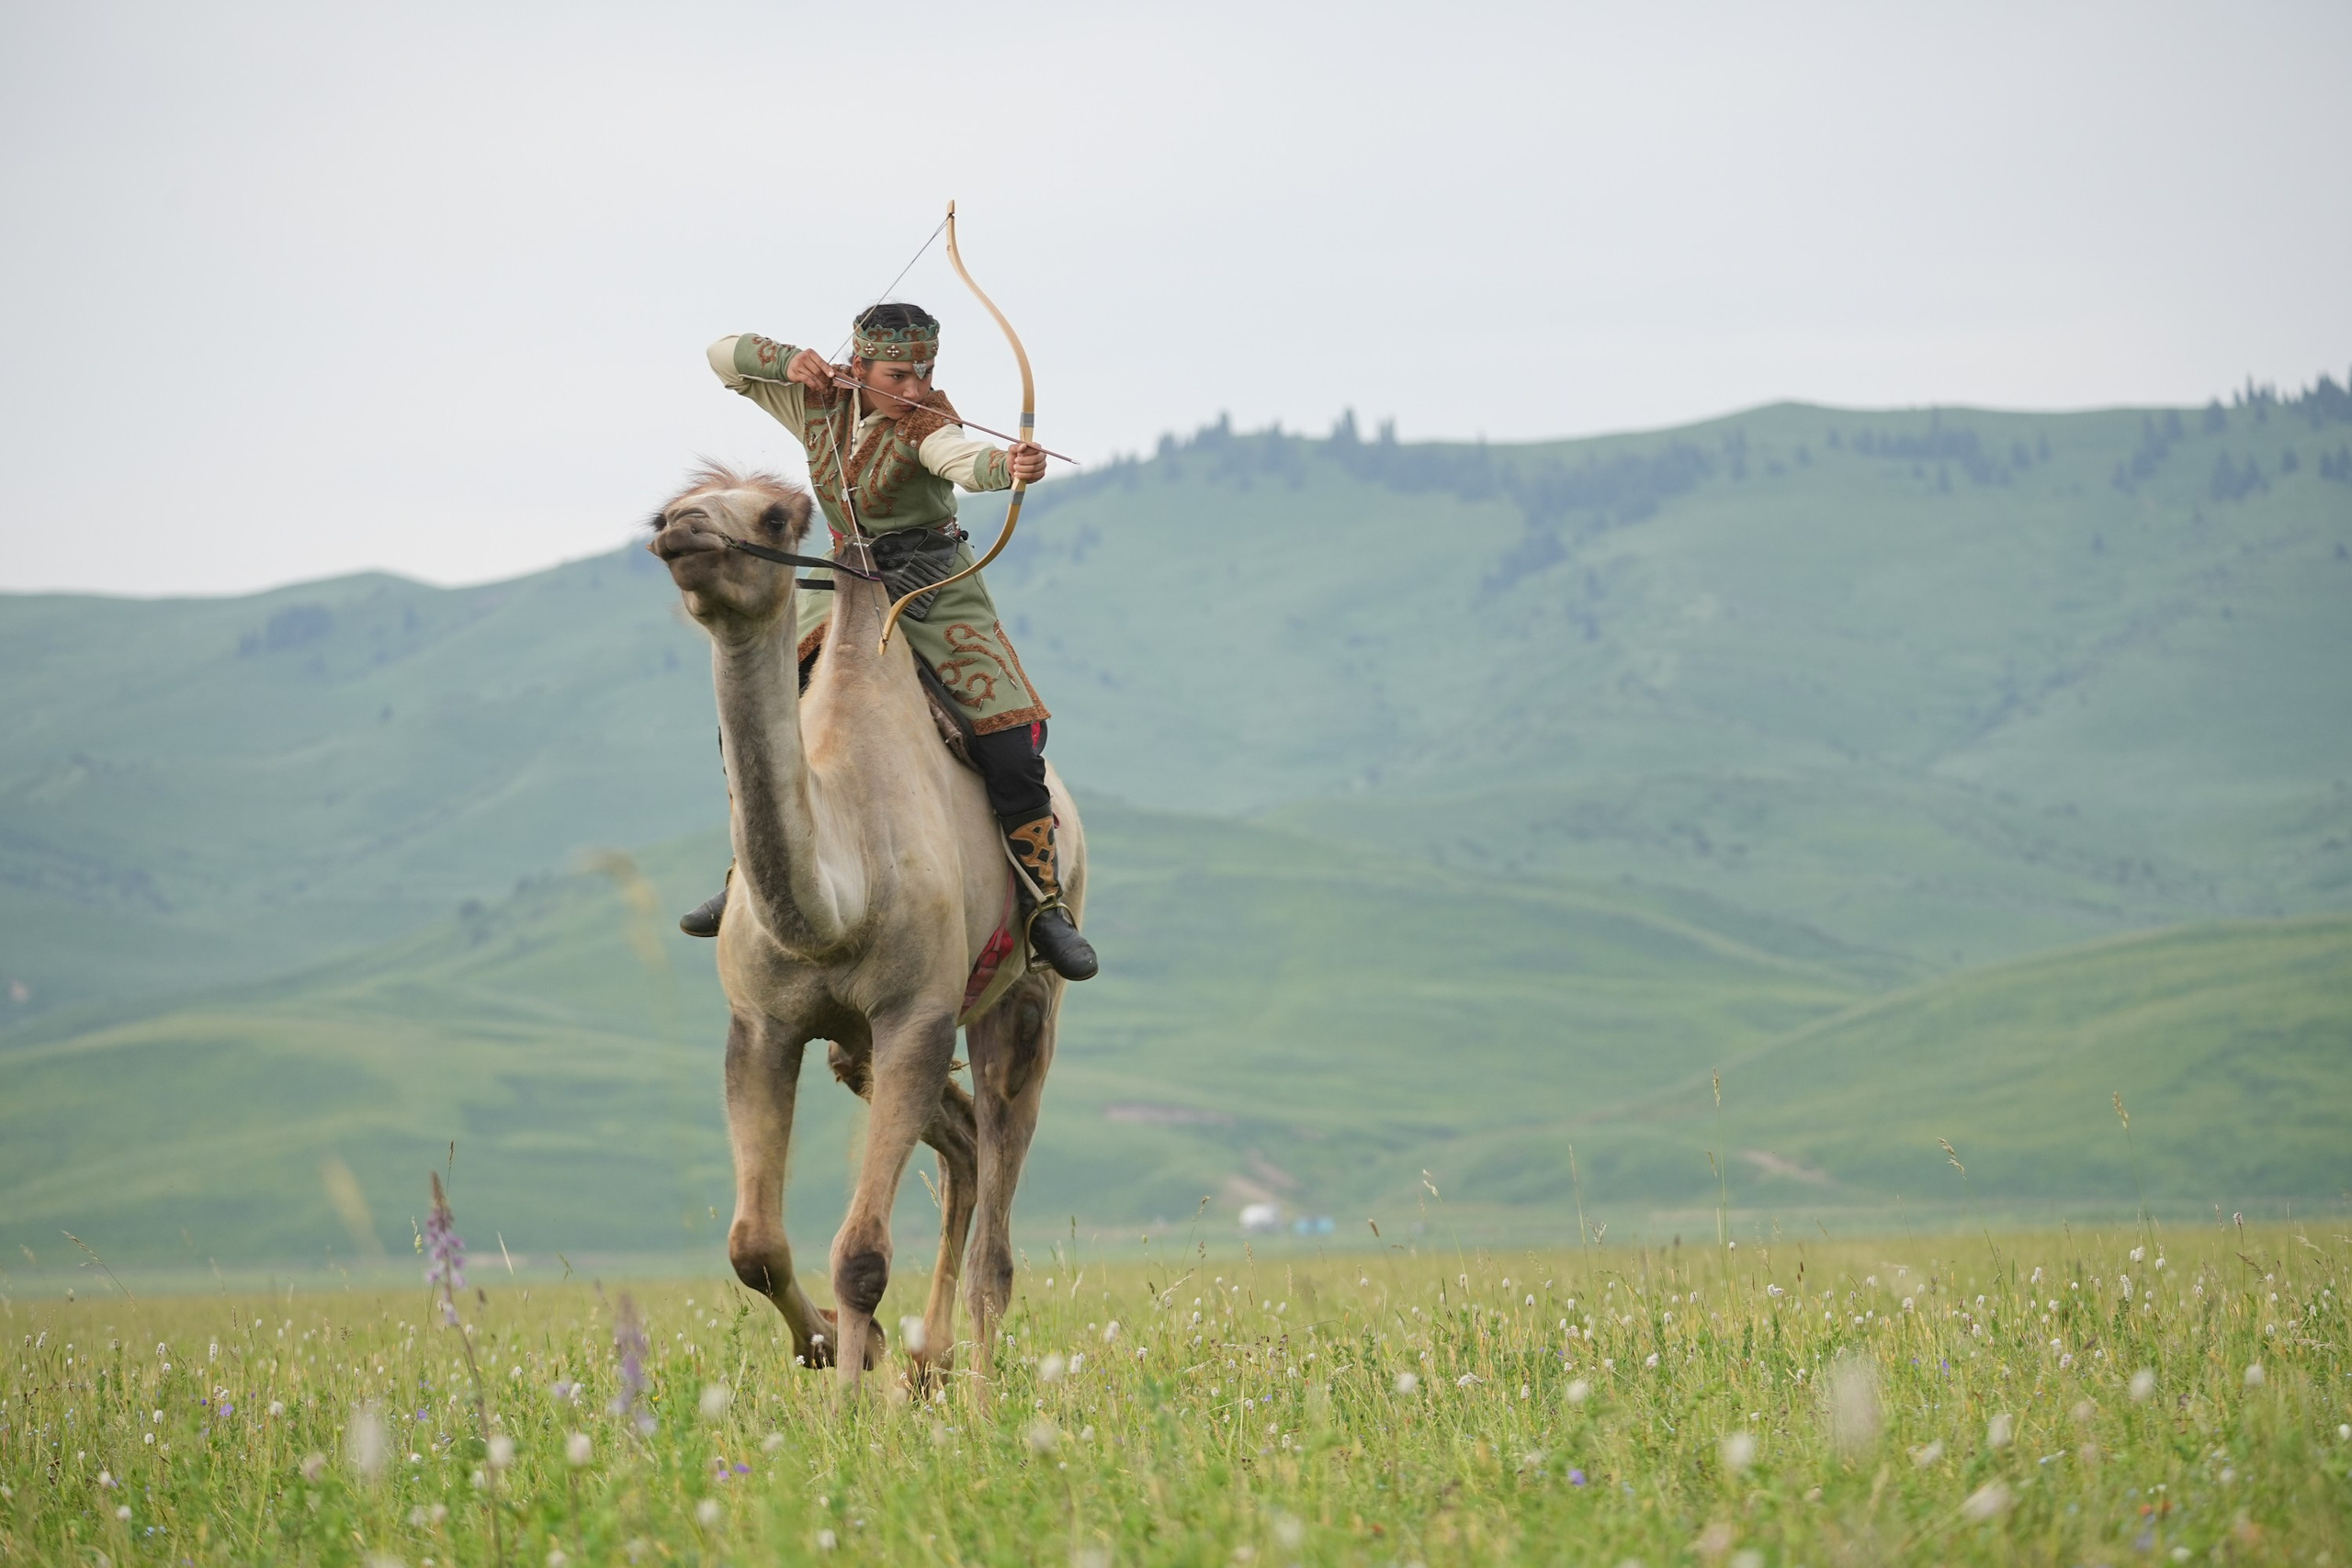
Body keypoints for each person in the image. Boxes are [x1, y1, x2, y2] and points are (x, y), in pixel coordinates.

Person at [677, 301, 1098, 982]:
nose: (915, 389)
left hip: (933, 589)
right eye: (898, 374)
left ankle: (1044, 906)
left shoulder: (930, 424)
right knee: (757, 714)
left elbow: (961, 461)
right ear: (859, 363)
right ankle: (751, 874)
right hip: (841, 583)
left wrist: (1010, 466)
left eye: (924, 373)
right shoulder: (818, 402)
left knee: (1008, 741)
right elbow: (722, 355)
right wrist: (789, 361)